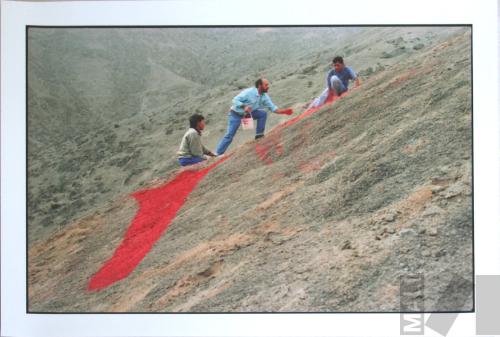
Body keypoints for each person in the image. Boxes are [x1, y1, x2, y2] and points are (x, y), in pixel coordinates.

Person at [215, 78, 293, 155]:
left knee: (263, 114)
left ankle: (259, 136)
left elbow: (273, 108)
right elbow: (235, 100)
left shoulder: (264, 96)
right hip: (236, 114)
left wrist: (284, 111)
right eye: (266, 85)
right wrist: (244, 106)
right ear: (259, 85)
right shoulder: (249, 92)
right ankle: (217, 154)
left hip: (249, 113)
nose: (268, 86)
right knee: (230, 135)